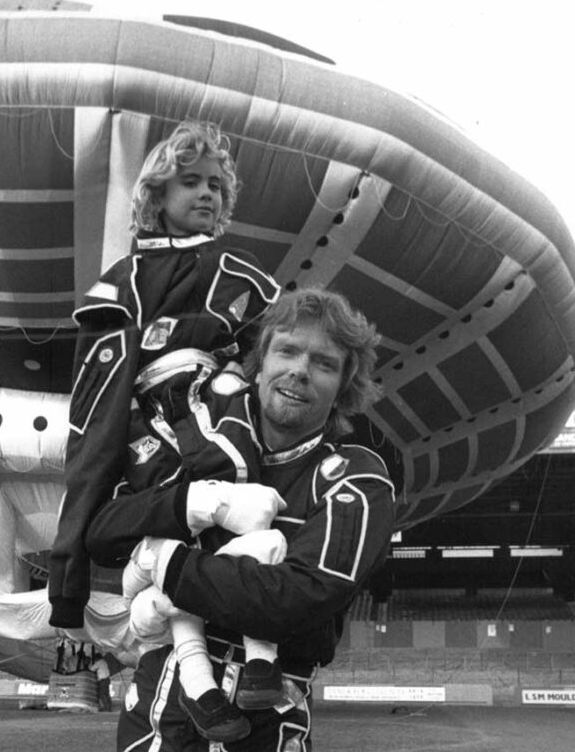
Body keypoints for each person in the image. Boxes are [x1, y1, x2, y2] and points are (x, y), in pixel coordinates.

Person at [47, 120, 282, 740]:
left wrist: (232, 373)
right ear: (156, 193)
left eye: (214, 185)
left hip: (220, 404)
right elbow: (93, 424)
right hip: (149, 425)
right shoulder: (120, 284)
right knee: (184, 528)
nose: (206, 194)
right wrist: (67, 585)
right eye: (189, 181)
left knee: (240, 496)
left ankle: (257, 665)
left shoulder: (240, 270)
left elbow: (280, 349)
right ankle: (205, 682)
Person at [85, 287, 396, 751]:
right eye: (287, 350)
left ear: (344, 385)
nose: (299, 371)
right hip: (154, 719)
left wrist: (167, 563)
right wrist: (190, 501)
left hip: (266, 726)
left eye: (324, 363)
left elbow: (297, 597)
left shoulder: (357, 477)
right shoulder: (194, 439)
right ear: (261, 361)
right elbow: (103, 532)